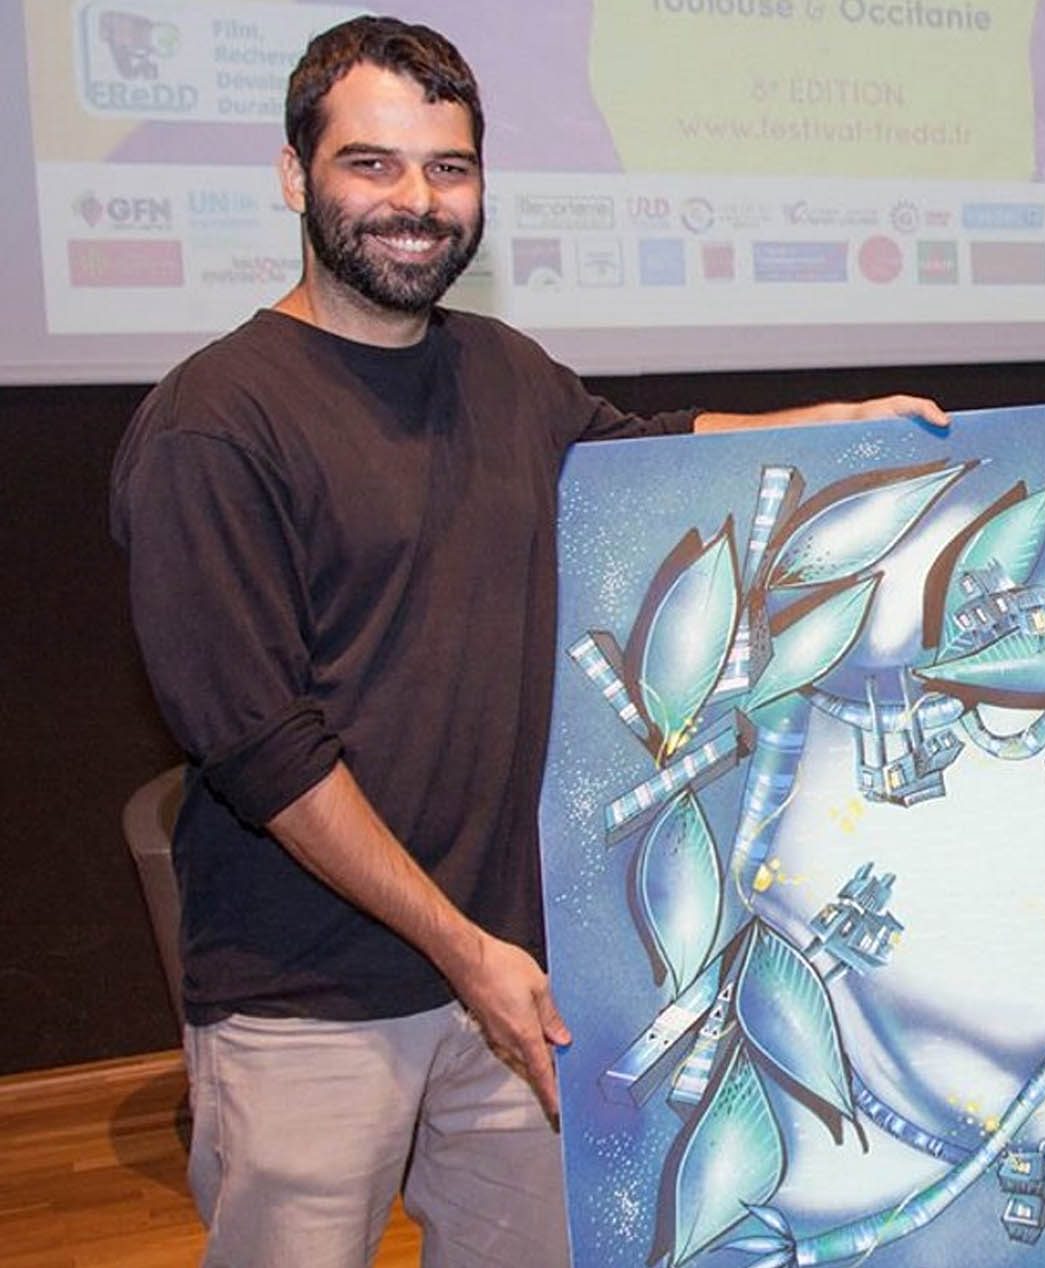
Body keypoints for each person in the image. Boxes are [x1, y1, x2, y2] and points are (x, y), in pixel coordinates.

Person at [109, 16, 946, 1267]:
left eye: (448, 168)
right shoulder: (215, 426)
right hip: (312, 1002)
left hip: (516, 983)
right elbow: (264, 751)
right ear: (294, 176)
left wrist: (834, 421)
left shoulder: (500, 370)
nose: (416, 201)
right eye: (371, 164)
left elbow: (636, 454)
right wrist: (465, 949)